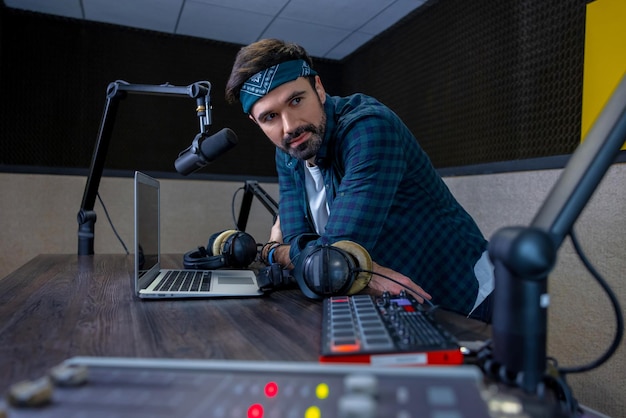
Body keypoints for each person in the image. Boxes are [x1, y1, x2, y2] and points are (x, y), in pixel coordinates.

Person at [225, 39, 494, 322]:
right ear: (257, 124)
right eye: (270, 117)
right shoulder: (288, 152)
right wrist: (336, 264)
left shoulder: (369, 129)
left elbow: (329, 265)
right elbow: (320, 259)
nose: (290, 126)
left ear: (318, 88)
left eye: (296, 100)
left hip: (469, 298)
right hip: (401, 309)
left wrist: (272, 251)